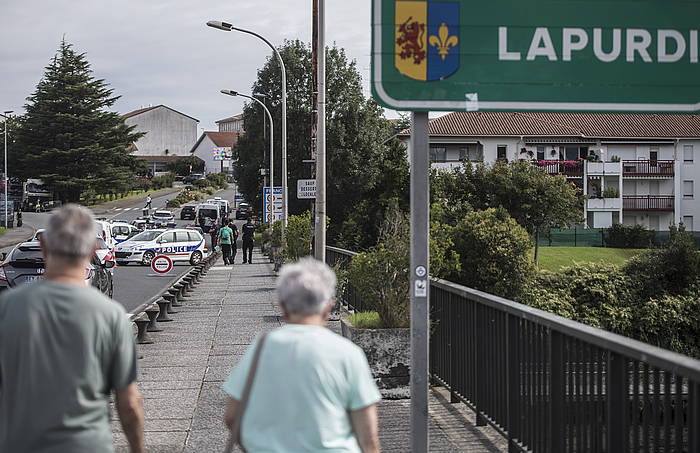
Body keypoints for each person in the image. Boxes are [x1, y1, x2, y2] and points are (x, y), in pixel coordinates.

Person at [0, 204, 144, 453]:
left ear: (44, 247)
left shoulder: (7, 307)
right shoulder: (111, 316)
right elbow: (129, 402)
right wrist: (137, 449)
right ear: (92, 249)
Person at [223, 258, 381, 452]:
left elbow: (232, 416)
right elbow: (368, 435)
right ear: (328, 306)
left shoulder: (261, 348)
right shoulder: (348, 353)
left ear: (283, 306)